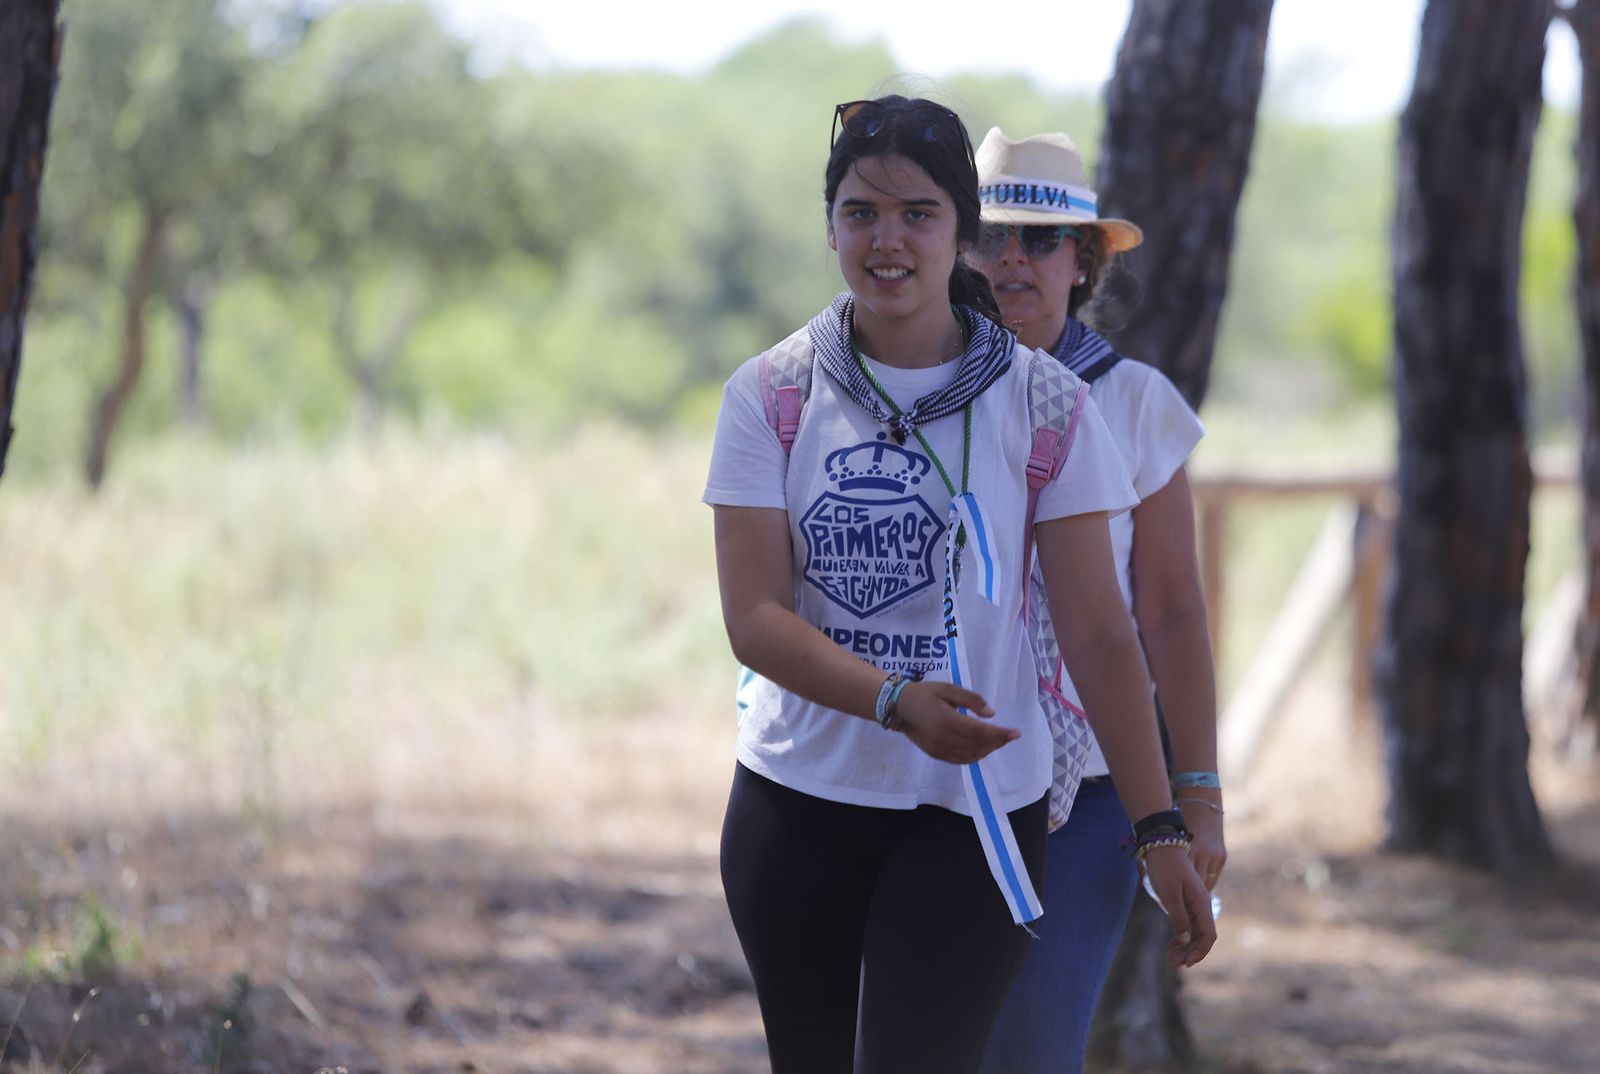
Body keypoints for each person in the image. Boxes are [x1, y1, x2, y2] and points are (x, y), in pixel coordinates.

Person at [703, 97, 1216, 1074]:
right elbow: (754, 617)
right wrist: (894, 703)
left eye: (919, 213)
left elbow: (1109, 636)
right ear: (829, 227)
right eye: (860, 212)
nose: (887, 238)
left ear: (957, 232)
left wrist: (1162, 824)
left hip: (977, 810)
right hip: (796, 799)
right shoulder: (768, 394)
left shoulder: (1048, 403)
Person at [970, 128, 1226, 1074]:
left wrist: (1196, 798)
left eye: (1041, 240)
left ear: (1083, 262)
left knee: (1035, 1048)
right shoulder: (921, 390)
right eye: (990, 235)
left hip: (1091, 790)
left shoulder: (1136, 404)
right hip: (926, 775)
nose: (1012, 260)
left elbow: (1171, 614)